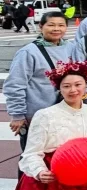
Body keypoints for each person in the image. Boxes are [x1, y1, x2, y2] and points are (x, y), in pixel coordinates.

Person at [0, 60, 87, 190]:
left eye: (78, 85)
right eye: (66, 86)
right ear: (58, 88)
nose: (73, 90)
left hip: (80, 170)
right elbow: (31, 152)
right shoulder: (45, 115)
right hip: (52, 169)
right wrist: (39, 171)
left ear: (86, 86)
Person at [4, 12, 73, 152]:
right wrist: (17, 115)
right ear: (41, 26)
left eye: (61, 25)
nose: (56, 29)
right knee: (32, 159)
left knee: (60, 158)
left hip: (65, 114)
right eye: (51, 25)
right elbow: (14, 85)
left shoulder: (71, 48)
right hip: (37, 116)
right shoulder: (28, 52)